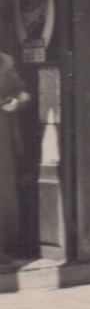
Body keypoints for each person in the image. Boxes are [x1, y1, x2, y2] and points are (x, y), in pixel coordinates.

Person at [0, 49, 32, 263]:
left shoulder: (5, 63)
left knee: (5, 195)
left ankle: (3, 248)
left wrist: (16, 103)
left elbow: (24, 93)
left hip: (3, 138)